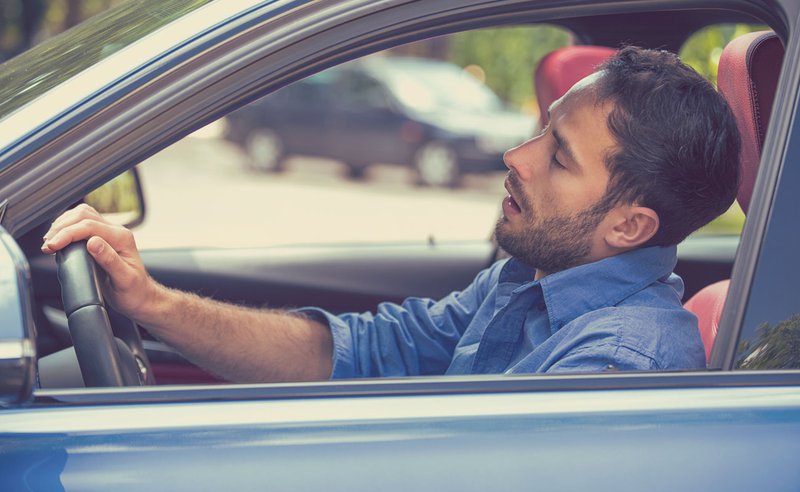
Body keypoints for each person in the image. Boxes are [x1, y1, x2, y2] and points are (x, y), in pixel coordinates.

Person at [41, 46, 741, 383]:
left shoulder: (616, 368)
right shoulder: (527, 279)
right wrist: (154, 304)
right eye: (540, 129)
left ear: (628, 227)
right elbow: (351, 354)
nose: (516, 156)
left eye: (558, 157)